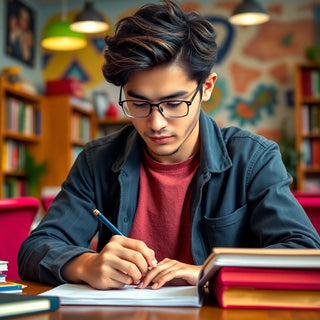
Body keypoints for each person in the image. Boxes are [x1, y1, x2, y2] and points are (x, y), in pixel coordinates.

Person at [18, 0, 320, 290]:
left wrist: (210, 272)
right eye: (138, 103)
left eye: (174, 103)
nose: (156, 122)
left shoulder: (253, 159)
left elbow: (304, 252)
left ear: (206, 88)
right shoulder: (97, 160)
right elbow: (35, 248)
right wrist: (86, 264)